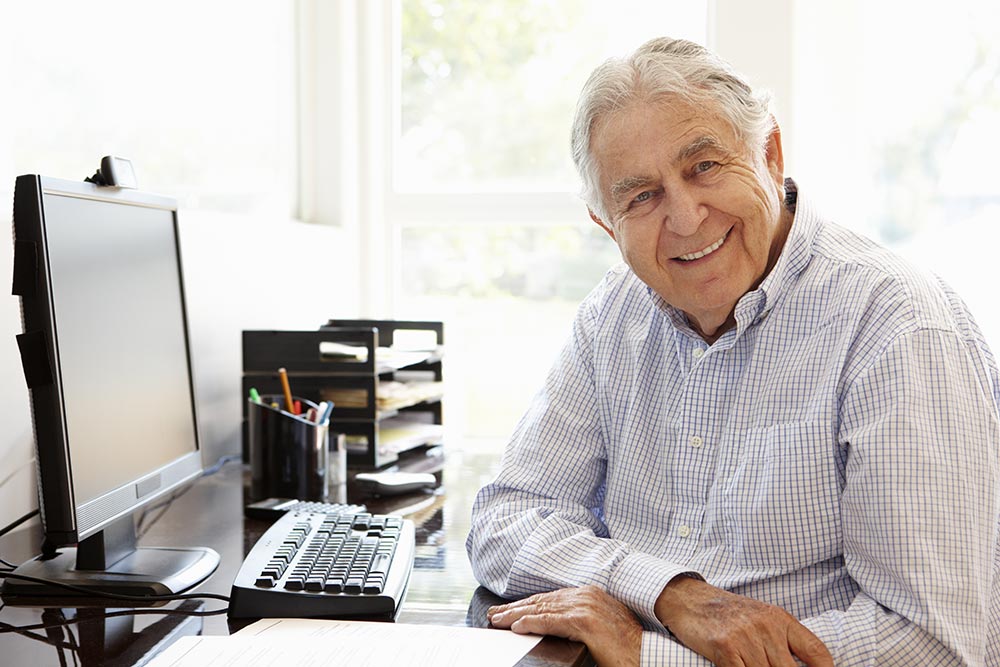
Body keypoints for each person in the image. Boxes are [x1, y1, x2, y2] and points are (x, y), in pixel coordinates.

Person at [466, 36, 1000, 667]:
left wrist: (646, 655)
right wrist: (668, 594)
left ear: (769, 153)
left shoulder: (900, 328)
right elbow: (507, 517)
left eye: (705, 167)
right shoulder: (612, 313)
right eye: (641, 196)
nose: (687, 217)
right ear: (608, 226)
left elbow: (931, 645)